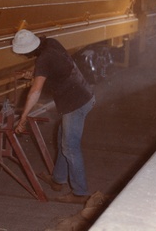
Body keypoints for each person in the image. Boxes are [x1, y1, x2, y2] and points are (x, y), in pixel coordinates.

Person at [12, 29, 96, 203]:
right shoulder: (50, 43)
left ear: (29, 51)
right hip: (83, 94)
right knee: (62, 140)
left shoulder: (43, 59)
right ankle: (58, 180)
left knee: (70, 147)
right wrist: (34, 73)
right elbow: (49, 66)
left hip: (75, 103)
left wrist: (23, 117)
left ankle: (80, 193)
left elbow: (35, 92)